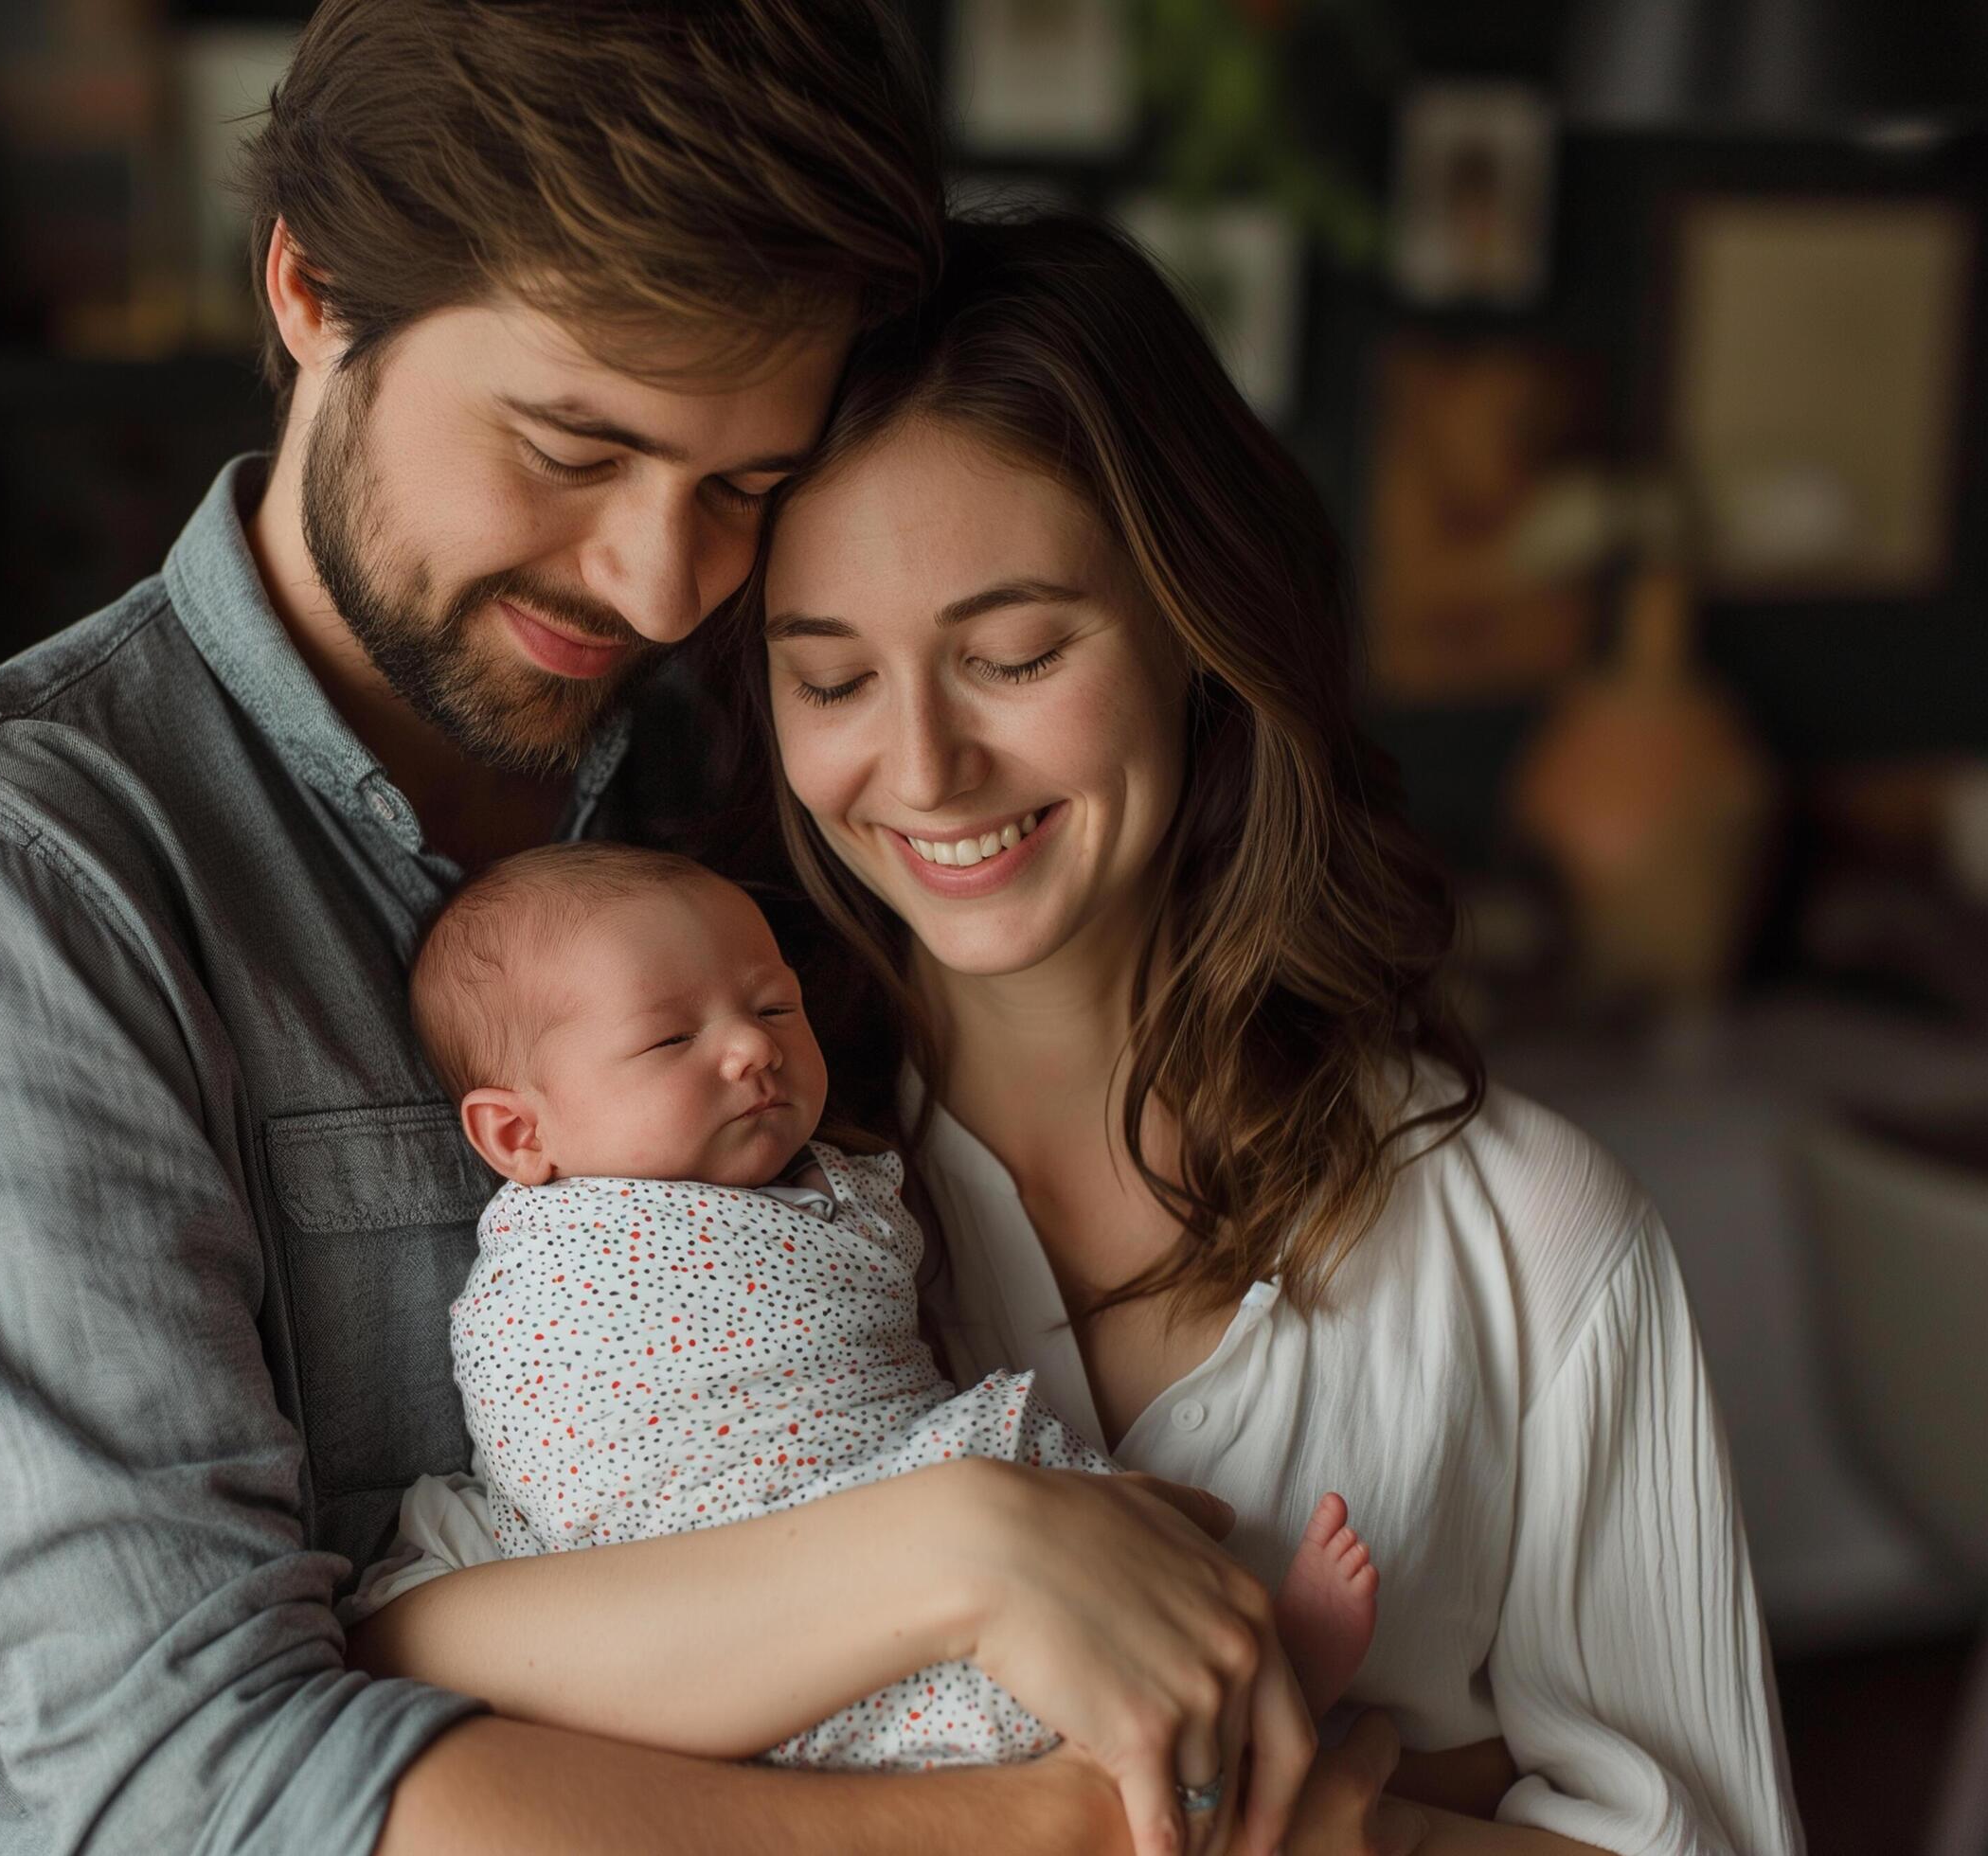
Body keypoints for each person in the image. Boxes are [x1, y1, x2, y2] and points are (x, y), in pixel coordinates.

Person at [0, 8, 1321, 1853]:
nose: (663, 580)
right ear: (313, 291)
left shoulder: (755, 757)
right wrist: (1041, 1770)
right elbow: (183, 1793)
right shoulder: (8, 891)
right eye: (574, 447)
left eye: (741, 485)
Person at [345, 215, 1810, 1855]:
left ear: (1198, 631)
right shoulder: (685, 1212)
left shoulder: (1535, 1246)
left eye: (1014, 654)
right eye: (830, 682)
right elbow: (406, 1659)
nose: (925, 768)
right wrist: (980, 1564)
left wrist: (1352, 1837)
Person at [379, 840, 1381, 1775]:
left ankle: (1230, 1680)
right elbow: (555, 1445)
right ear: (517, 1134)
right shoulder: (552, 1260)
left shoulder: (841, 1176)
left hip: (893, 1464)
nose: (750, 1051)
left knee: (1071, 1528)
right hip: (708, 1554)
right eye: (672, 1036)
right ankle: (1221, 1717)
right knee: (991, 1625)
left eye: (774, 1007)